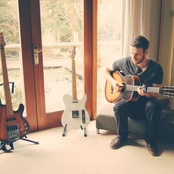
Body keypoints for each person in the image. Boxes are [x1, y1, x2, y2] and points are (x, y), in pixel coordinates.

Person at [102, 35, 163, 156]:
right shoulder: (125, 62)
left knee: (154, 105)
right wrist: (114, 82)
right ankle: (121, 136)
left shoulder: (156, 68)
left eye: (137, 54)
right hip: (131, 103)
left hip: (146, 104)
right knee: (119, 106)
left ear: (146, 52)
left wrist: (146, 93)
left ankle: (150, 140)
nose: (133, 57)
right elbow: (105, 70)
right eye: (132, 53)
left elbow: (156, 94)